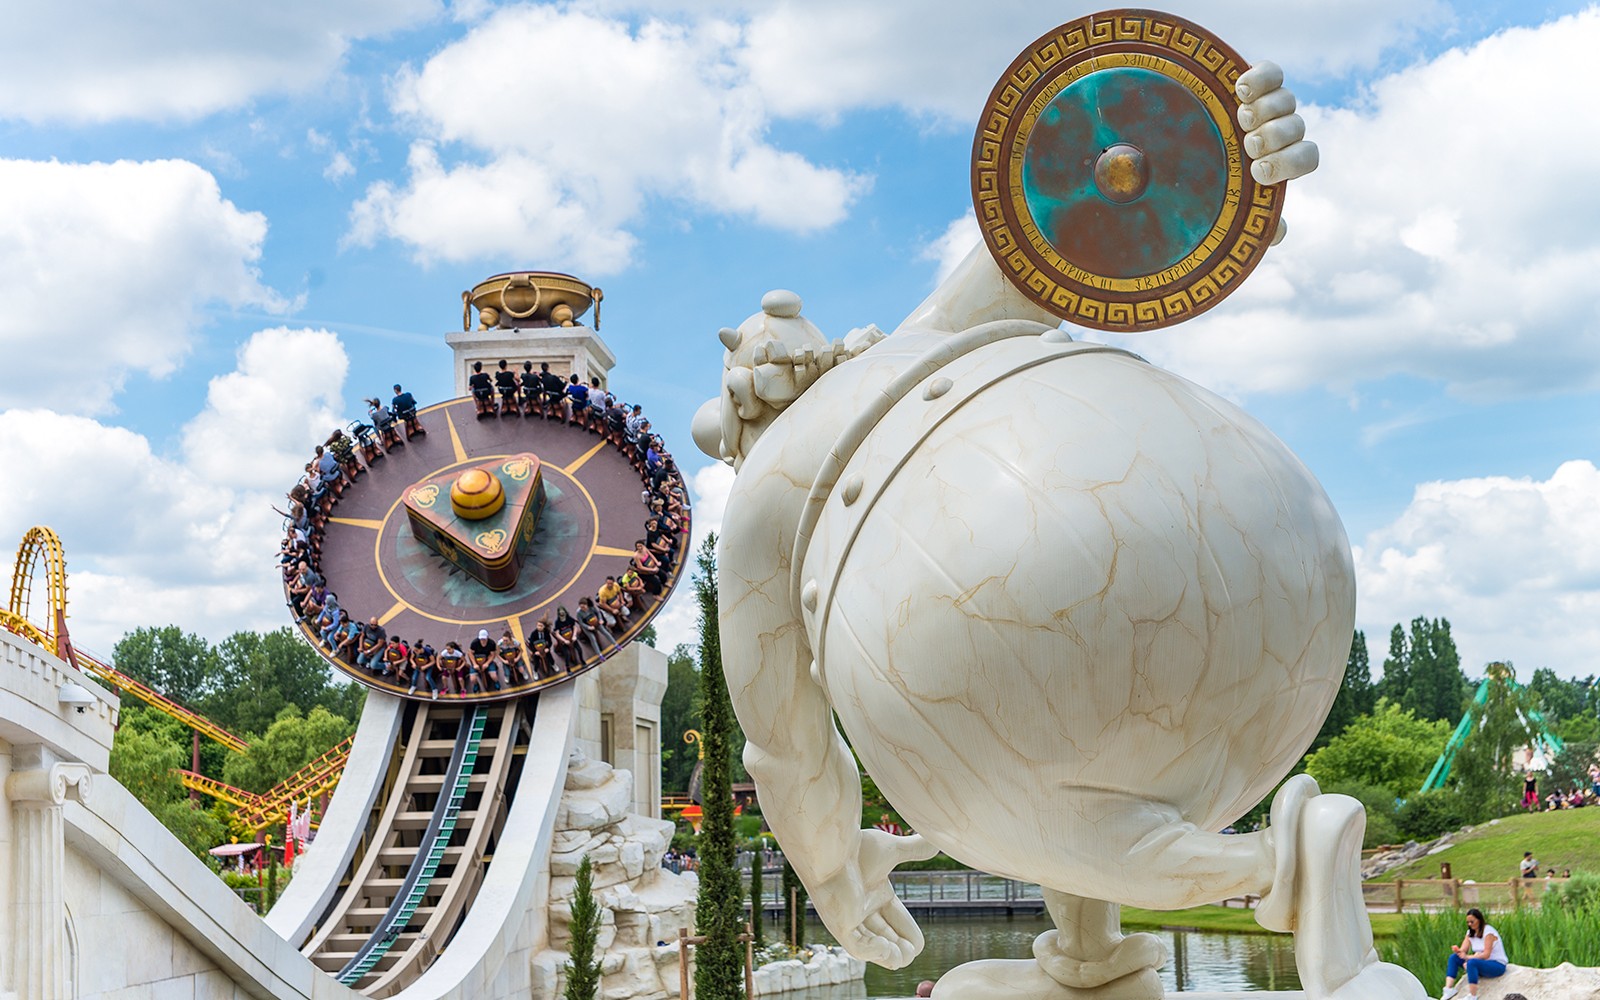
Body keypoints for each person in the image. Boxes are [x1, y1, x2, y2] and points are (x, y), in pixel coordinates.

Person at [1441, 908, 1507, 999]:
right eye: (1468, 922)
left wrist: (1468, 958)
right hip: (1480, 962)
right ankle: (1448, 989)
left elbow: (1486, 954)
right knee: (1453, 958)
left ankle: (1473, 995)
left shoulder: (1488, 932)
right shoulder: (1470, 933)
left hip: (1496, 964)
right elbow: (1463, 949)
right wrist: (1458, 951)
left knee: (1472, 963)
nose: (1470, 924)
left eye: (1472, 922)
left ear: (1479, 920)